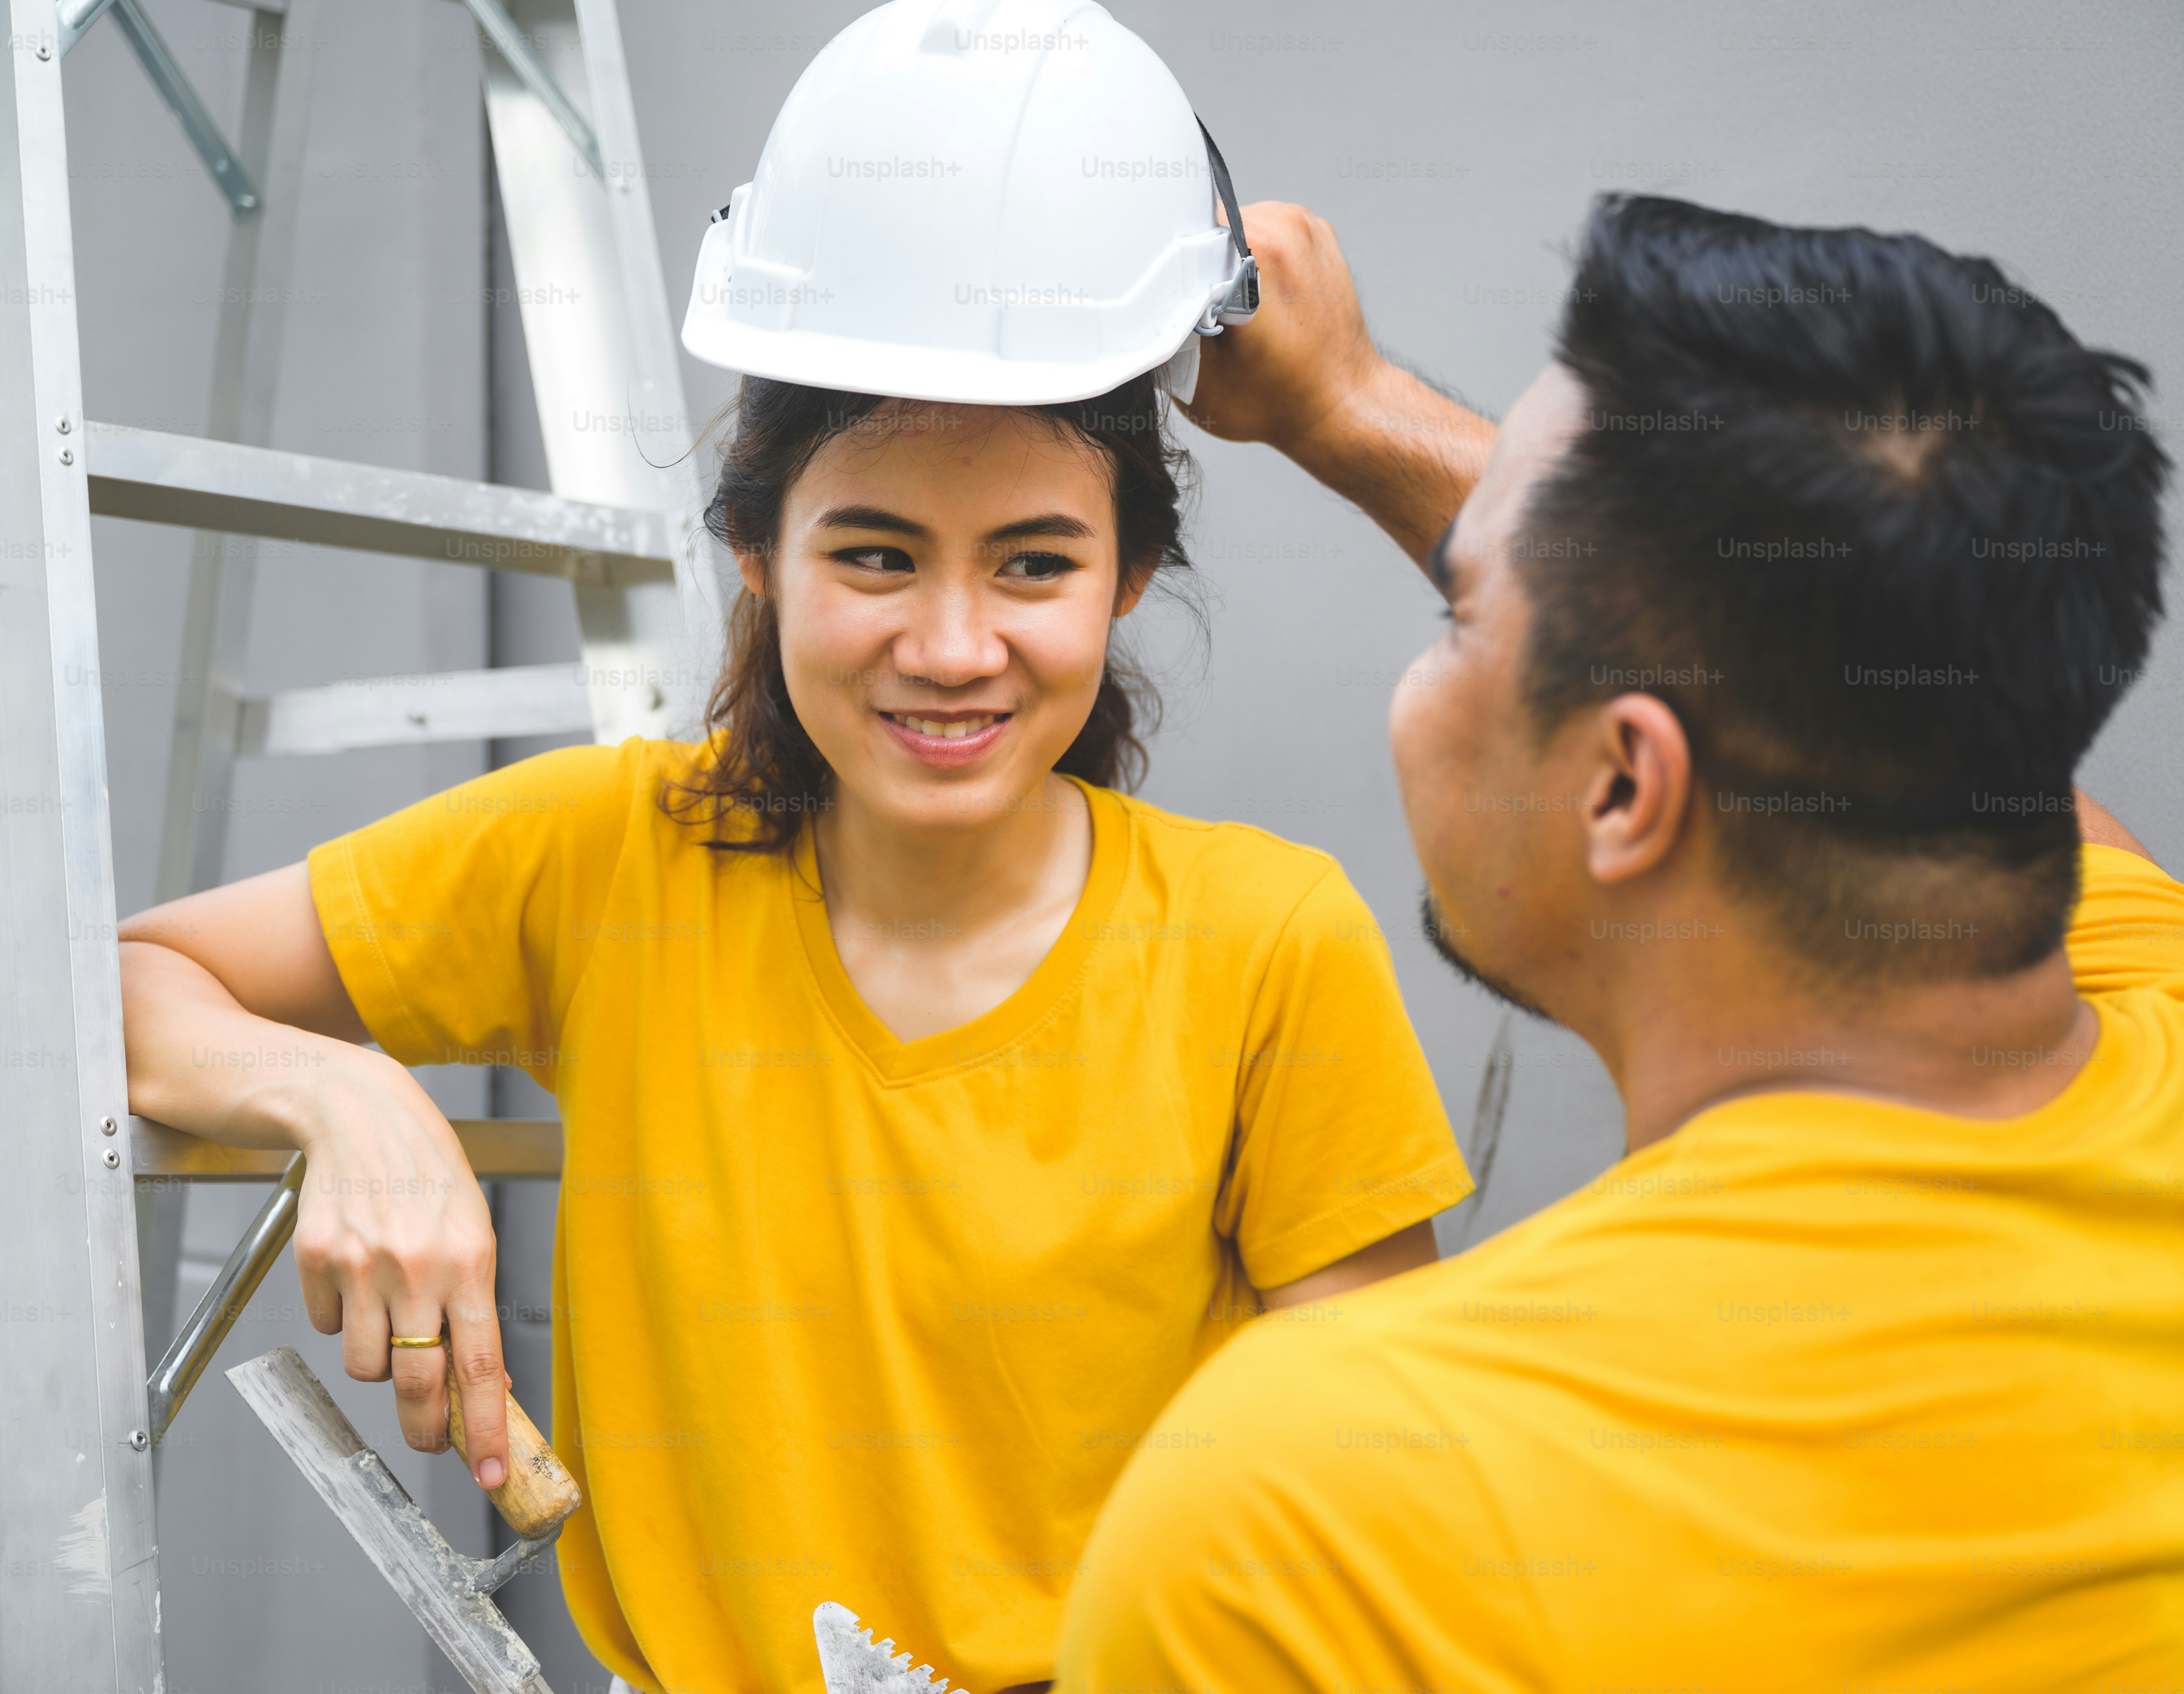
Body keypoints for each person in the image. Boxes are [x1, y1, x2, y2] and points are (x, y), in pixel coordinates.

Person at [115, 9, 1472, 1690]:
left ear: (1129, 575)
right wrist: (345, 1099)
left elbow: (1371, 1496)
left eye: (1036, 565)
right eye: (880, 555)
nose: (956, 644)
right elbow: (121, 984)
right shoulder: (602, 856)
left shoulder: (1263, 939)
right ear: (758, 548)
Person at [1056, 195, 2184, 1689]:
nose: (1432, 655)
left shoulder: (1314, 1537)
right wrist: (1347, 403)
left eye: (1463, 613)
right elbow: (1973, 730)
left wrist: (1360, 411)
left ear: (1628, 785)